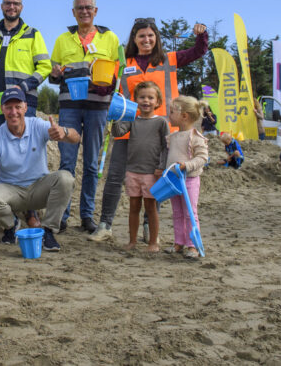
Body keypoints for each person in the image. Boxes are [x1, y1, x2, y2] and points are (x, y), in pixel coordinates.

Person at [88, 19, 209, 243]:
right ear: (134, 39)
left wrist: (201, 35)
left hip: (160, 132)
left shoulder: (168, 59)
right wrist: (94, 77)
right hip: (128, 130)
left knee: (157, 177)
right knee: (115, 177)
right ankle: (105, 225)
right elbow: (106, 87)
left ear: (157, 38)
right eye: (141, 36)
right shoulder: (122, 63)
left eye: (150, 36)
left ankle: (147, 226)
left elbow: (197, 52)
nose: (146, 40)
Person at [0, 87, 79, 251]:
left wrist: (64, 132)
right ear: (2, 109)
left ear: (25, 107)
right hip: (12, 192)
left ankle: (48, 231)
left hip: (39, 187)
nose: (13, 112)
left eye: (18, 107)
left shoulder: (37, 125)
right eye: (9, 107)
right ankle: (11, 225)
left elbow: (76, 137)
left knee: (66, 179)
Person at [49, 0, 120, 233]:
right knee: (67, 163)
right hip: (69, 106)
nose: (84, 11)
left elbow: (117, 75)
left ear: (96, 11)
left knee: (91, 164)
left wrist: (107, 85)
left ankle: (87, 216)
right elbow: (53, 74)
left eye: (88, 7)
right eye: (80, 8)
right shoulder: (62, 39)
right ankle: (62, 216)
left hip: (98, 108)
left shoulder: (110, 38)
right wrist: (55, 73)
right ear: (73, 12)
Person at [110, 82, 169, 253]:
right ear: (136, 100)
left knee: (151, 208)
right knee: (133, 207)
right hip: (132, 171)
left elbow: (166, 147)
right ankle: (132, 241)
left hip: (152, 173)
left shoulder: (161, 123)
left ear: (158, 102)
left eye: (151, 98)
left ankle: (153, 243)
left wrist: (161, 167)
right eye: (142, 97)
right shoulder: (132, 120)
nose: (146, 101)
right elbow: (118, 132)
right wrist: (114, 118)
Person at [165, 95, 210, 259]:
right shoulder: (173, 136)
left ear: (184, 116)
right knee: (176, 212)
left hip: (189, 180)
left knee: (190, 212)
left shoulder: (195, 136)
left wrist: (187, 166)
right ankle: (179, 242)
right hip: (174, 181)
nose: (169, 115)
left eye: (171, 112)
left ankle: (193, 246)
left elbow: (202, 158)